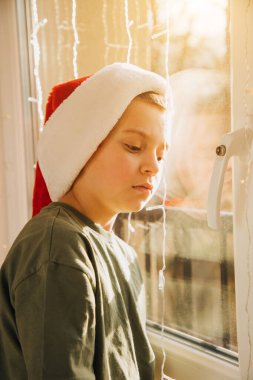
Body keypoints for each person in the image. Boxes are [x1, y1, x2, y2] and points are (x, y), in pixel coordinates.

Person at [0, 62, 170, 380]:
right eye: (134, 146)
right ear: (82, 147)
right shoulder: (58, 246)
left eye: (161, 154)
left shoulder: (125, 256)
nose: (153, 166)